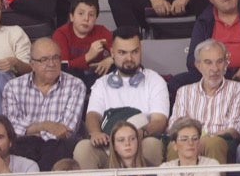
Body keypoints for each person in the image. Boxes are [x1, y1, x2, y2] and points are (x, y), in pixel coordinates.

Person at [72, 32, 168, 168]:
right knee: (83, 148)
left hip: (141, 141)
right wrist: (95, 133)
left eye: (134, 52)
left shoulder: (155, 81)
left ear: (141, 50)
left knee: (152, 144)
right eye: (122, 53)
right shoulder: (101, 84)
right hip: (108, 146)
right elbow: (92, 115)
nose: (129, 58)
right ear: (112, 53)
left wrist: (141, 133)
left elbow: (159, 121)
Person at [0, 34, 86, 170]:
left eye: (55, 58)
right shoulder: (13, 87)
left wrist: (30, 130)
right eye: (44, 59)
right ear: (32, 64)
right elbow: (11, 128)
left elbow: (67, 130)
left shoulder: (75, 85)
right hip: (23, 146)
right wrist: (45, 126)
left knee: (59, 147)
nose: (51, 64)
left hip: (58, 147)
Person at [168, 39, 240, 162]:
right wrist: (194, 140)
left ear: (226, 63)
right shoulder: (184, 92)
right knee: (175, 146)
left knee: (213, 143)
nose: (215, 69)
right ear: (198, 65)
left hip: (220, 142)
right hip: (189, 140)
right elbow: (175, 125)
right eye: (208, 62)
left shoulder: (237, 89)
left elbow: (236, 129)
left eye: (219, 61)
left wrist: (206, 139)